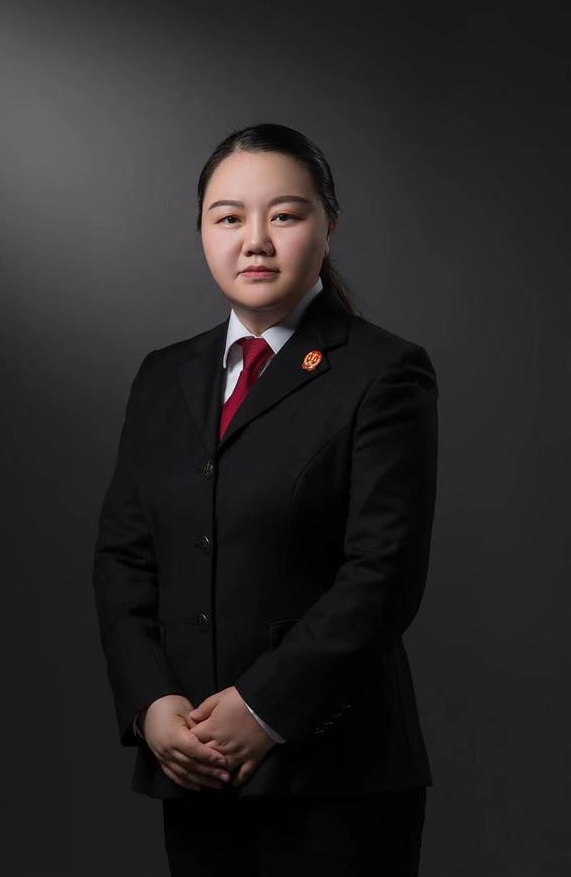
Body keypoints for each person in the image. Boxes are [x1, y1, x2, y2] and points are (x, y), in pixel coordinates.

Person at [92, 122, 439, 876]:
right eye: (228, 218)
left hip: (338, 779)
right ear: (201, 231)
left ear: (329, 224)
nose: (255, 241)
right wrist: (151, 705)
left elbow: (382, 576)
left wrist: (262, 709)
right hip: (195, 771)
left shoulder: (383, 373)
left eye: (284, 215)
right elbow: (123, 558)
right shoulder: (163, 376)